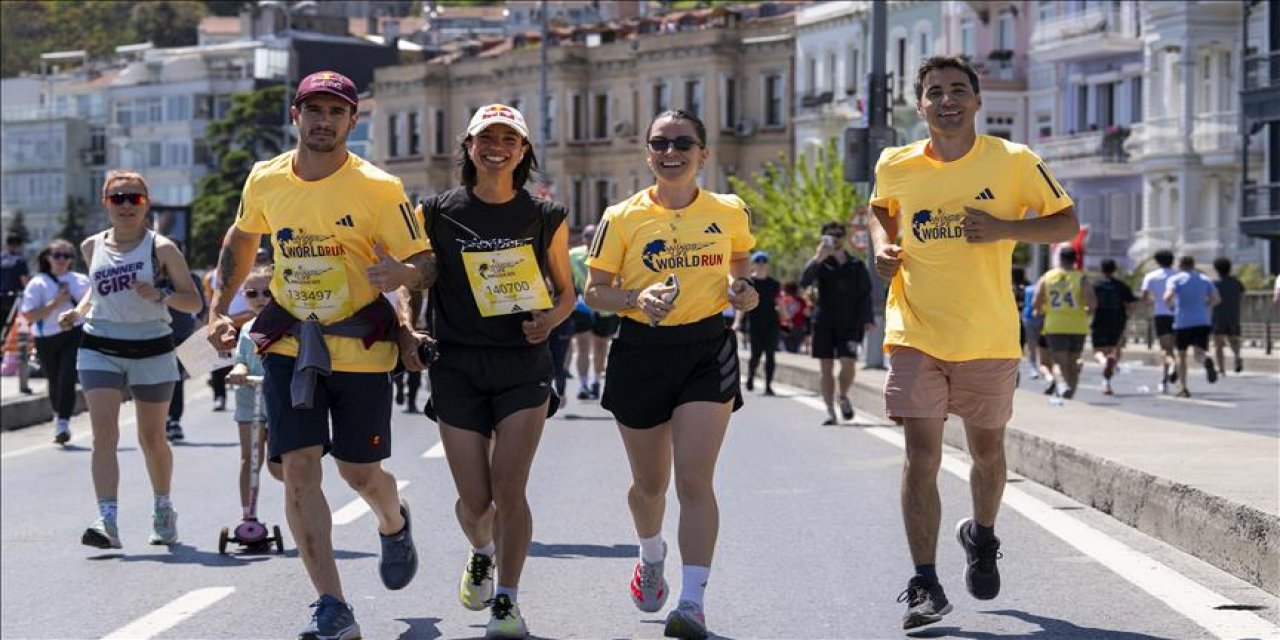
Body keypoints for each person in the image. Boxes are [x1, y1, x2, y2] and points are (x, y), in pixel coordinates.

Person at [208, 70, 423, 640]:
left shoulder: (379, 187)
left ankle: (393, 522)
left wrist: (403, 274)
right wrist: (219, 310)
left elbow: (424, 260)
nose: (323, 120)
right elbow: (241, 238)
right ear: (296, 115)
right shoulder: (266, 177)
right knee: (297, 469)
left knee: (359, 472)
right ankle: (332, 604)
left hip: (360, 344)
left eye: (336, 111)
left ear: (353, 121)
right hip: (288, 343)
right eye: (314, 109)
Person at [869, 55, 1079, 630]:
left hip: (987, 335)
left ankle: (981, 536)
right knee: (922, 457)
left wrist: (1007, 228)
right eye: (934, 92)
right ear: (920, 105)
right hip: (914, 331)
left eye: (958, 90)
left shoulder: (1013, 162)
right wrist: (883, 248)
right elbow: (882, 213)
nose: (946, 100)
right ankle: (924, 583)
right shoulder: (897, 163)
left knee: (986, 454)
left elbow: (1065, 223)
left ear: (977, 101)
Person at [584, 108, 759, 640]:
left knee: (694, 480)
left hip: (706, 348)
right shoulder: (622, 217)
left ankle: (692, 602)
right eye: (660, 143)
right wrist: (637, 298)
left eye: (683, 142)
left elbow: (741, 270)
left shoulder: (730, 211)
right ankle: (651, 552)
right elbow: (596, 292)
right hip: (641, 350)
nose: (671, 151)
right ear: (648, 154)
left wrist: (744, 294)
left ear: (703, 154)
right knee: (649, 485)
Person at [404, 103, 573, 640]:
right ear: (469, 146)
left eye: (509, 138)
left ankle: (508, 601)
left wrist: (549, 320)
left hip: (523, 363)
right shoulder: (435, 211)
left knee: (510, 488)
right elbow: (411, 280)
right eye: (486, 137)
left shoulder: (546, 216)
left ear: (523, 150)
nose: (496, 145)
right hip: (457, 364)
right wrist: (408, 329)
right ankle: (481, 552)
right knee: (476, 502)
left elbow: (568, 292)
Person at [57, 170, 202, 549]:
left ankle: (163, 510)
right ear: (105, 202)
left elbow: (193, 300)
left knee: (152, 438)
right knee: (104, 434)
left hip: (151, 347)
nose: (125, 205)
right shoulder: (92, 246)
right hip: (99, 345)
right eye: (117, 198)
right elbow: (96, 291)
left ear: (146, 203)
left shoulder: (163, 249)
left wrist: (161, 294)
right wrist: (78, 312)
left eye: (133, 198)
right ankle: (107, 520)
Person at [225, 264, 285, 522]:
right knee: (249, 459)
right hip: (251, 397)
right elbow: (241, 360)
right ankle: (248, 516)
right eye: (252, 293)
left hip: (281, 398)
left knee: (279, 464)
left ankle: (300, 504)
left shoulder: (287, 323)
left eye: (267, 292)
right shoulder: (247, 329)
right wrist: (238, 371)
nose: (261, 299)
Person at [800, 221, 875, 424]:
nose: (835, 238)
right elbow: (804, 282)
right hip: (823, 321)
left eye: (839, 234)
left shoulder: (855, 265)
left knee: (848, 363)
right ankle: (830, 411)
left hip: (850, 323)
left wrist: (868, 318)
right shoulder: (820, 263)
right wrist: (818, 258)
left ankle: (843, 396)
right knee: (826, 367)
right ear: (823, 237)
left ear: (843, 238)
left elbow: (865, 294)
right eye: (830, 235)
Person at [20, 238, 90, 444]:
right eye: (57, 255)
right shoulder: (38, 283)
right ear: (48, 258)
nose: (61, 260)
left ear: (71, 259)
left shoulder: (81, 280)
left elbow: (94, 306)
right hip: (47, 337)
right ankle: (57, 414)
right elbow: (30, 316)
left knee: (68, 376)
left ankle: (63, 423)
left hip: (75, 333)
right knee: (54, 378)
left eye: (66, 256)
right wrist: (55, 303)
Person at [1033, 246, 1095, 399]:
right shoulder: (1081, 278)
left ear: (1060, 259)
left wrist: (1041, 310)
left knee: (1060, 362)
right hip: (1077, 326)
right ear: (1075, 260)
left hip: (1055, 325)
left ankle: (1061, 385)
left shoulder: (1047, 277)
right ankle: (1070, 395)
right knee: (1073, 363)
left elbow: (1036, 303)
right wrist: (1084, 312)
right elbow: (1092, 304)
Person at [160, 240, 206, 441]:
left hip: (181, 334)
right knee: (159, 380)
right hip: (155, 335)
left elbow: (201, 305)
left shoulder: (190, 278)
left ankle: (174, 420)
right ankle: (160, 420)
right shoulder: (153, 279)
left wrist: (200, 322)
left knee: (176, 378)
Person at [568, 224, 617, 400]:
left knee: (601, 346)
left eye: (594, 235)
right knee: (582, 345)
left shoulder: (612, 254)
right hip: (582, 306)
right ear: (583, 238)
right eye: (587, 235)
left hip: (605, 307)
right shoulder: (573, 256)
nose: (590, 239)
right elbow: (566, 279)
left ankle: (596, 380)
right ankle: (583, 384)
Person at [1163, 255, 1220, 398]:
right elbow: (1216, 299)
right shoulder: (1204, 279)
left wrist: (1171, 308)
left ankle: (1183, 388)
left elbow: (1167, 297)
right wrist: (1205, 305)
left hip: (1182, 321)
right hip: (1202, 320)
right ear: (1193, 265)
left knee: (1181, 356)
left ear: (1180, 265)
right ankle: (1206, 360)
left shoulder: (1175, 279)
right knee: (1199, 353)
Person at [1091, 258, 1137, 395]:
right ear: (1114, 269)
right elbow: (1131, 304)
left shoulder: (1096, 285)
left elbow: (1090, 303)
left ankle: (1104, 362)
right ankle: (1107, 383)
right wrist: (1127, 316)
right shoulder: (1121, 286)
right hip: (1118, 320)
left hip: (1100, 320)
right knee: (1115, 350)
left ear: (1101, 269)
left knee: (1097, 351)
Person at [742, 251, 782, 395]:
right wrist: (736, 322)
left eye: (764, 261)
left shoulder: (774, 283)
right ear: (753, 263)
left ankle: (768, 385)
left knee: (770, 355)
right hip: (754, 323)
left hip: (772, 323)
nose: (761, 264)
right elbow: (743, 304)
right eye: (758, 261)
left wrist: (786, 318)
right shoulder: (749, 283)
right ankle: (751, 376)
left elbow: (779, 302)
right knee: (756, 355)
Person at [1141, 249, 1178, 393]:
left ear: (1157, 261)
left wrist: (1154, 301)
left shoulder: (1151, 276)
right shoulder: (1178, 276)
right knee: (1175, 348)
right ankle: (1170, 375)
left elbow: (1145, 297)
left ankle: (1170, 369)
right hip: (1177, 314)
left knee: (1165, 349)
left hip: (1161, 314)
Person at [1211, 257, 1245, 375]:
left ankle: (1221, 368)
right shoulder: (1236, 282)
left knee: (1218, 345)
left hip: (1218, 316)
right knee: (1234, 339)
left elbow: (1210, 299)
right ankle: (1237, 356)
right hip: (1233, 315)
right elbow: (1242, 295)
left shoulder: (1214, 283)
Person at [1, 233, 29, 327]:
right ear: (20, 245)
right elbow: (24, 280)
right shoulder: (20, 260)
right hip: (14, 299)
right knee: (13, 326)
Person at [779, 280, 808, 353]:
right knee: (795, 349)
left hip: (785, 325)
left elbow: (780, 313)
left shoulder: (784, 300)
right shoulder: (802, 301)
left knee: (785, 349)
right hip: (799, 326)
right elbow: (806, 313)